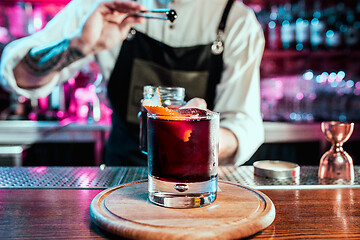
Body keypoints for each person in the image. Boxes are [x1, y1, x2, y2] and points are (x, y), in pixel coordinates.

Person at [0, 0, 265, 166]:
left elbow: (242, 123)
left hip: (197, 178)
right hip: (121, 174)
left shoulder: (235, 20)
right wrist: (76, 46)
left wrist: (199, 137)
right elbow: (18, 75)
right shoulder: (103, 5)